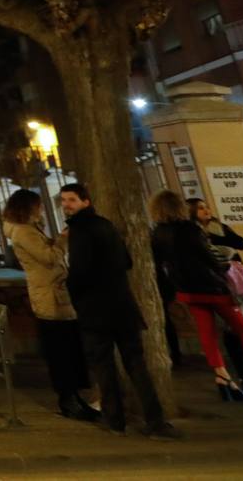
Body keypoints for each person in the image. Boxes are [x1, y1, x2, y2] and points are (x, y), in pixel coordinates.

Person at [60, 183, 179, 440]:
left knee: (104, 366)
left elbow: (79, 271)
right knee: (136, 364)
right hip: (122, 305)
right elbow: (126, 261)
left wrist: (76, 294)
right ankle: (156, 421)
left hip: (95, 308)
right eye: (63, 200)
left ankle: (115, 420)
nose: (66, 205)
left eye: (71, 200)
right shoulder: (106, 225)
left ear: (85, 201)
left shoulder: (79, 230)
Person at [151, 189, 243, 402]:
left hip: (187, 291)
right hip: (213, 288)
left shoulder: (158, 233)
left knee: (207, 333)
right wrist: (226, 268)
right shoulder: (189, 230)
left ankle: (222, 376)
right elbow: (209, 258)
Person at [2, 190, 97, 421]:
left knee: (68, 348)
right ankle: (68, 399)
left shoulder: (29, 229)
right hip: (50, 295)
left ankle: (74, 397)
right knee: (61, 351)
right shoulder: (25, 232)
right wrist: (63, 238)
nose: (42, 209)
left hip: (54, 293)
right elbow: (48, 257)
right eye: (38, 205)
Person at [190, 197, 243, 390]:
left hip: (239, 285)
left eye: (207, 207)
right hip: (220, 286)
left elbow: (241, 243)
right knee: (232, 332)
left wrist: (218, 235)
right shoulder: (194, 234)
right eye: (200, 208)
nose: (206, 211)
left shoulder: (219, 227)